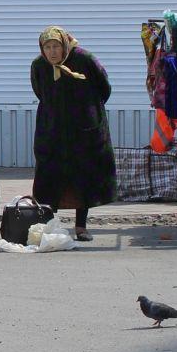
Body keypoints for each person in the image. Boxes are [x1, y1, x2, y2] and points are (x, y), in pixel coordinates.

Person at [31, 26, 113, 240]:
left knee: (82, 174)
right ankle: (50, 225)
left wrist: (89, 109)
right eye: (47, 47)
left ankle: (81, 226)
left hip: (83, 128)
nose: (52, 52)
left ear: (64, 44)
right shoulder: (39, 65)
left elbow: (104, 87)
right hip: (53, 128)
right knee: (50, 174)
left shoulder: (84, 59)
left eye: (56, 46)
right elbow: (40, 92)